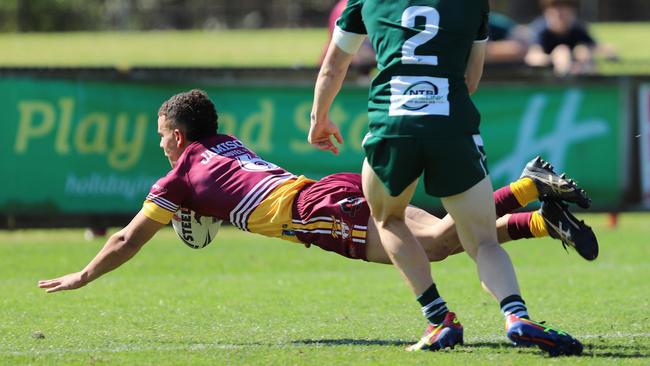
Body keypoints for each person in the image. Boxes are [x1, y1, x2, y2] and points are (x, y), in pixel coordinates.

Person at [39, 90, 596, 355]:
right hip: (327, 192)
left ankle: (523, 190)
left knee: (435, 241)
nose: (159, 143)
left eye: (161, 133)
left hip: (316, 213)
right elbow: (223, 193)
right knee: (451, 241)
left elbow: (126, 237)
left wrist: (83, 275)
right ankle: (541, 221)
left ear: (179, 137)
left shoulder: (179, 176)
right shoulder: (224, 145)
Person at [308, 0, 585, 356]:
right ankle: (516, 315)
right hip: (452, 126)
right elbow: (471, 79)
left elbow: (333, 67)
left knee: (389, 219)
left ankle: (439, 319)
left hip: (393, 126)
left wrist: (320, 118)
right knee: (483, 241)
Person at [525, 0, 618, 76]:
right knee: (562, 51)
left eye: (564, 8)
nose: (559, 13)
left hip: (577, 69)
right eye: (555, 8)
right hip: (546, 76)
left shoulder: (577, 28)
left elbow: (595, 46)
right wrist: (555, 59)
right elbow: (532, 57)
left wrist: (607, 51)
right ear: (546, 12)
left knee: (583, 51)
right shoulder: (541, 29)